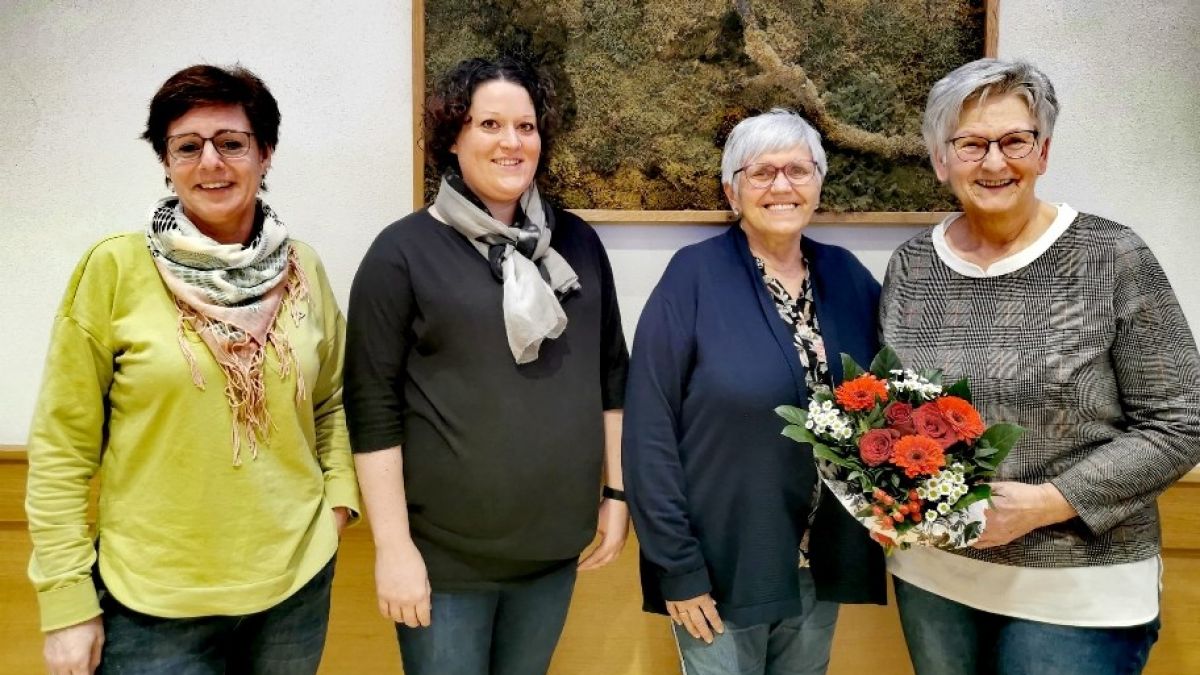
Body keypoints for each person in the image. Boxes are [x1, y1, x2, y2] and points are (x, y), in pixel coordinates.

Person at [25, 65, 360, 675]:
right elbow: (61, 449)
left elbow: (332, 402)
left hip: (294, 586)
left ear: (265, 153)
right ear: (166, 161)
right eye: (188, 146)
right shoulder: (115, 270)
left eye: (231, 143)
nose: (211, 162)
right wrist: (67, 604)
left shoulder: (303, 268)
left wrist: (335, 508)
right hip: (152, 602)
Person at [880, 58, 1200, 675]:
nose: (995, 163)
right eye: (971, 144)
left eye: (1014, 141)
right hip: (935, 577)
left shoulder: (1111, 255)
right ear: (940, 160)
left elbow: (1180, 421)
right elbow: (895, 412)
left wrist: (1052, 501)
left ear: (1043, 151)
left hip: (1080, 589)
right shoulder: (913, 265)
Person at [344, 55, 629, 675]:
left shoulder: (577, 242)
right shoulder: (402, 252)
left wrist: (616, 494)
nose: (512, 142)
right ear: (456, 136)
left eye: (525, 127)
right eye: (490, 125)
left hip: (555, 551)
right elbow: (371, 408)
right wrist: (392, 549)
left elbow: (612, 377)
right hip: (445, 561)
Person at [623, 109, 887, 675]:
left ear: (819, 181)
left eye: (798, 169)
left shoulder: (847, 277)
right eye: (762, 172)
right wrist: (677, 566)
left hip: (822, 560)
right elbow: (649, 430)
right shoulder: (692, 277)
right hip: (722, 567)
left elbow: (888, 405)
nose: (782, 186)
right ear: (731, 189)